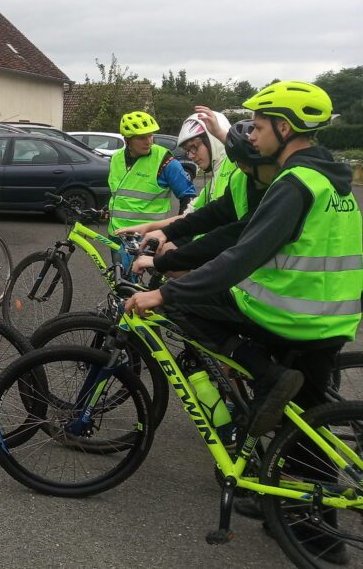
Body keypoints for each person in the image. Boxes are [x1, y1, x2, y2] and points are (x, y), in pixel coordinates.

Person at [125, 81, 361, 442]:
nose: (253, 136)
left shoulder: (294, 184)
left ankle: (267, 377)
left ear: (284, 129)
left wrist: (163, 295)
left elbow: (242, 252)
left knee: (183, 304)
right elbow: (220, 221)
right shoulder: (330, 181)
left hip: (290, 314)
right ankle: (298, 493)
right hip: (331, 318)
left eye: (260, 127)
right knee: (306, 427)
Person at [131, 119, 278, 278]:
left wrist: (165, 263)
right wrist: (163, 232)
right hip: (230, 257)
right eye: (188, 150)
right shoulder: (237, 178)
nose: (191, 156)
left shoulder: (279, 186)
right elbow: (208, 213)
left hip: (254, 275)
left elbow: (231, 233)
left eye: (195, 147)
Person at [107, 111, 196, 238]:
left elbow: (188, 197)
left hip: (146, 238)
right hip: (116, 234)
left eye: (150, 136)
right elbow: (118, 194)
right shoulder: (116, 158)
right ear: (127, 140)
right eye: (142, 137)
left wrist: (180, 233)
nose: (148, 141)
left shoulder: (165, 161)